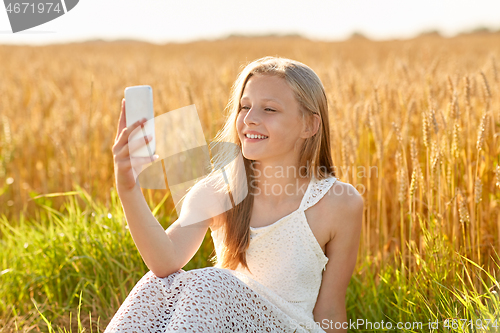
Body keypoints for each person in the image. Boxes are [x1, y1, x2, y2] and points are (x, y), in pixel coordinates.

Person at [106, 56, 363, 333]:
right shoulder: (219, 191)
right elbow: (164, 263)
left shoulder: (338, 202)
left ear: (309, 126)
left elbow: (331, 310)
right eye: (245, 106)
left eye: (269, 109)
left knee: (213, 282)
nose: (250, 119)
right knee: (158, 286)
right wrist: (128, 188)